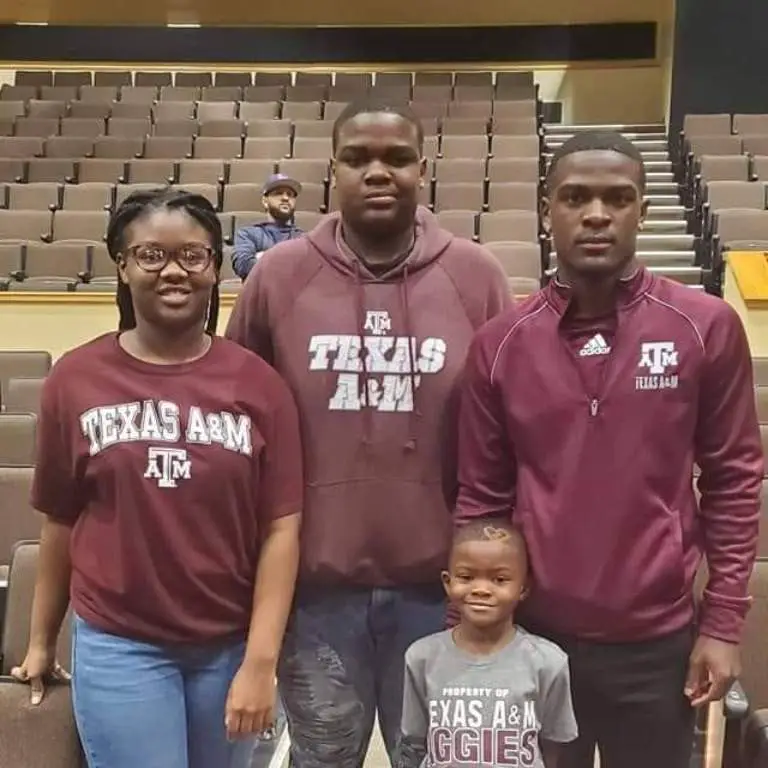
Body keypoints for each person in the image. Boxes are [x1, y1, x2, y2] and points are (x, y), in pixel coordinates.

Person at [454, 130, 764, 768]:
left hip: (656, 644)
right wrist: (475, 625)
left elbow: (734, 480)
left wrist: (723, 623)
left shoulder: (704, 327)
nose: (596, 213)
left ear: (642, 210)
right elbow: (482, 499)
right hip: (532, 637)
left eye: (617, 198)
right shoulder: (499, 343)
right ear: (547, 210)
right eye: (575, 197)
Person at [225, 98, 512, 767]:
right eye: (357, 158)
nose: (377, 172)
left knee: (436, 759)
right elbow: (240, 429)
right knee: (322, 758)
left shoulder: (477, 277)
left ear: (422, 169)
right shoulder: (276, 277)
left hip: (442, 594)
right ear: (333, 172)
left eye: (396, 158)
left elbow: (507, 435)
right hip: (315, 592)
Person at [10, 188, 304, 768]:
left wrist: (260, 662)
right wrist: (42, 641)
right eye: (151, 255)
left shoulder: (261, 385)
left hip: (227, 646)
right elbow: (60, 523)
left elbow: (281, 532)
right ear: (121, 264)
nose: (174, 270)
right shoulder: (75, 380)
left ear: (216, 266)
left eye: (193, 256)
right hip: (122, 646)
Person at [396, 519, 578, 768]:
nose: (481, 589)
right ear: (447, 582)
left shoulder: (548, 662)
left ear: (523, 587)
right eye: (466, 577)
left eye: (500, 580)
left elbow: (555, 744)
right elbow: (416, 740)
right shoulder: (421, 657)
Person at [231, 173, 304, 280]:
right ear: (265, 202)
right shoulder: (248, 234)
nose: (285, 198)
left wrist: (262, 257)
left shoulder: (304, 238)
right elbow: (244, 266)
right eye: (278, 193)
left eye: (290, 194)